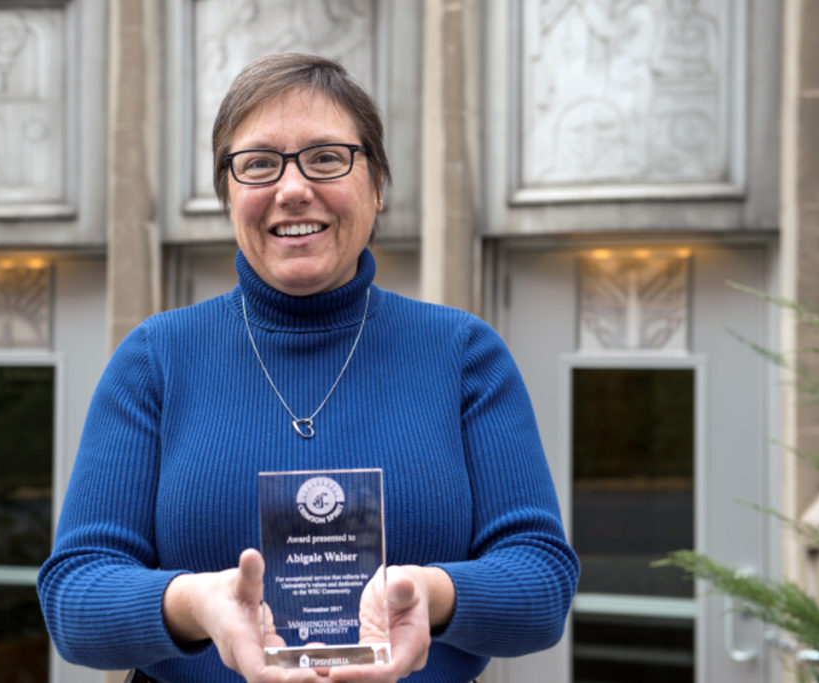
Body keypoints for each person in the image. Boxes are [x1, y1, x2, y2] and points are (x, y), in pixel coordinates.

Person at [37, 53, 579, 683]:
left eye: (326, 158)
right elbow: (74, 599)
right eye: (260, 164)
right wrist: (196, 605)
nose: (292, 189)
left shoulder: (462, 354)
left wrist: (429, 594)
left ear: (376, 185)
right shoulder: (156, 359)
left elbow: (541, 583)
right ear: (228, 195)